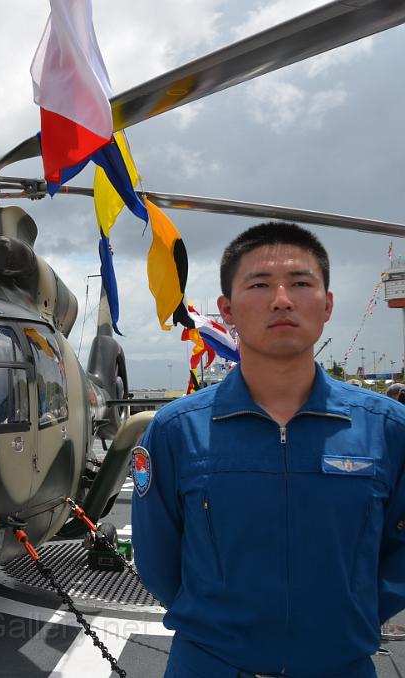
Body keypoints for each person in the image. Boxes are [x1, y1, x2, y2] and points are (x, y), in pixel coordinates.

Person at [132, 222, 405, 677]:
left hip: (340, 665)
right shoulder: (176, 431)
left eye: (301, 283)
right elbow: (158, 559)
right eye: (259, 285)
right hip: (210, 665)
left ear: (327, 305)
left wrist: (348, 618)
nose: (282, 299)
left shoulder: (388, 428)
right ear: (228, 310)